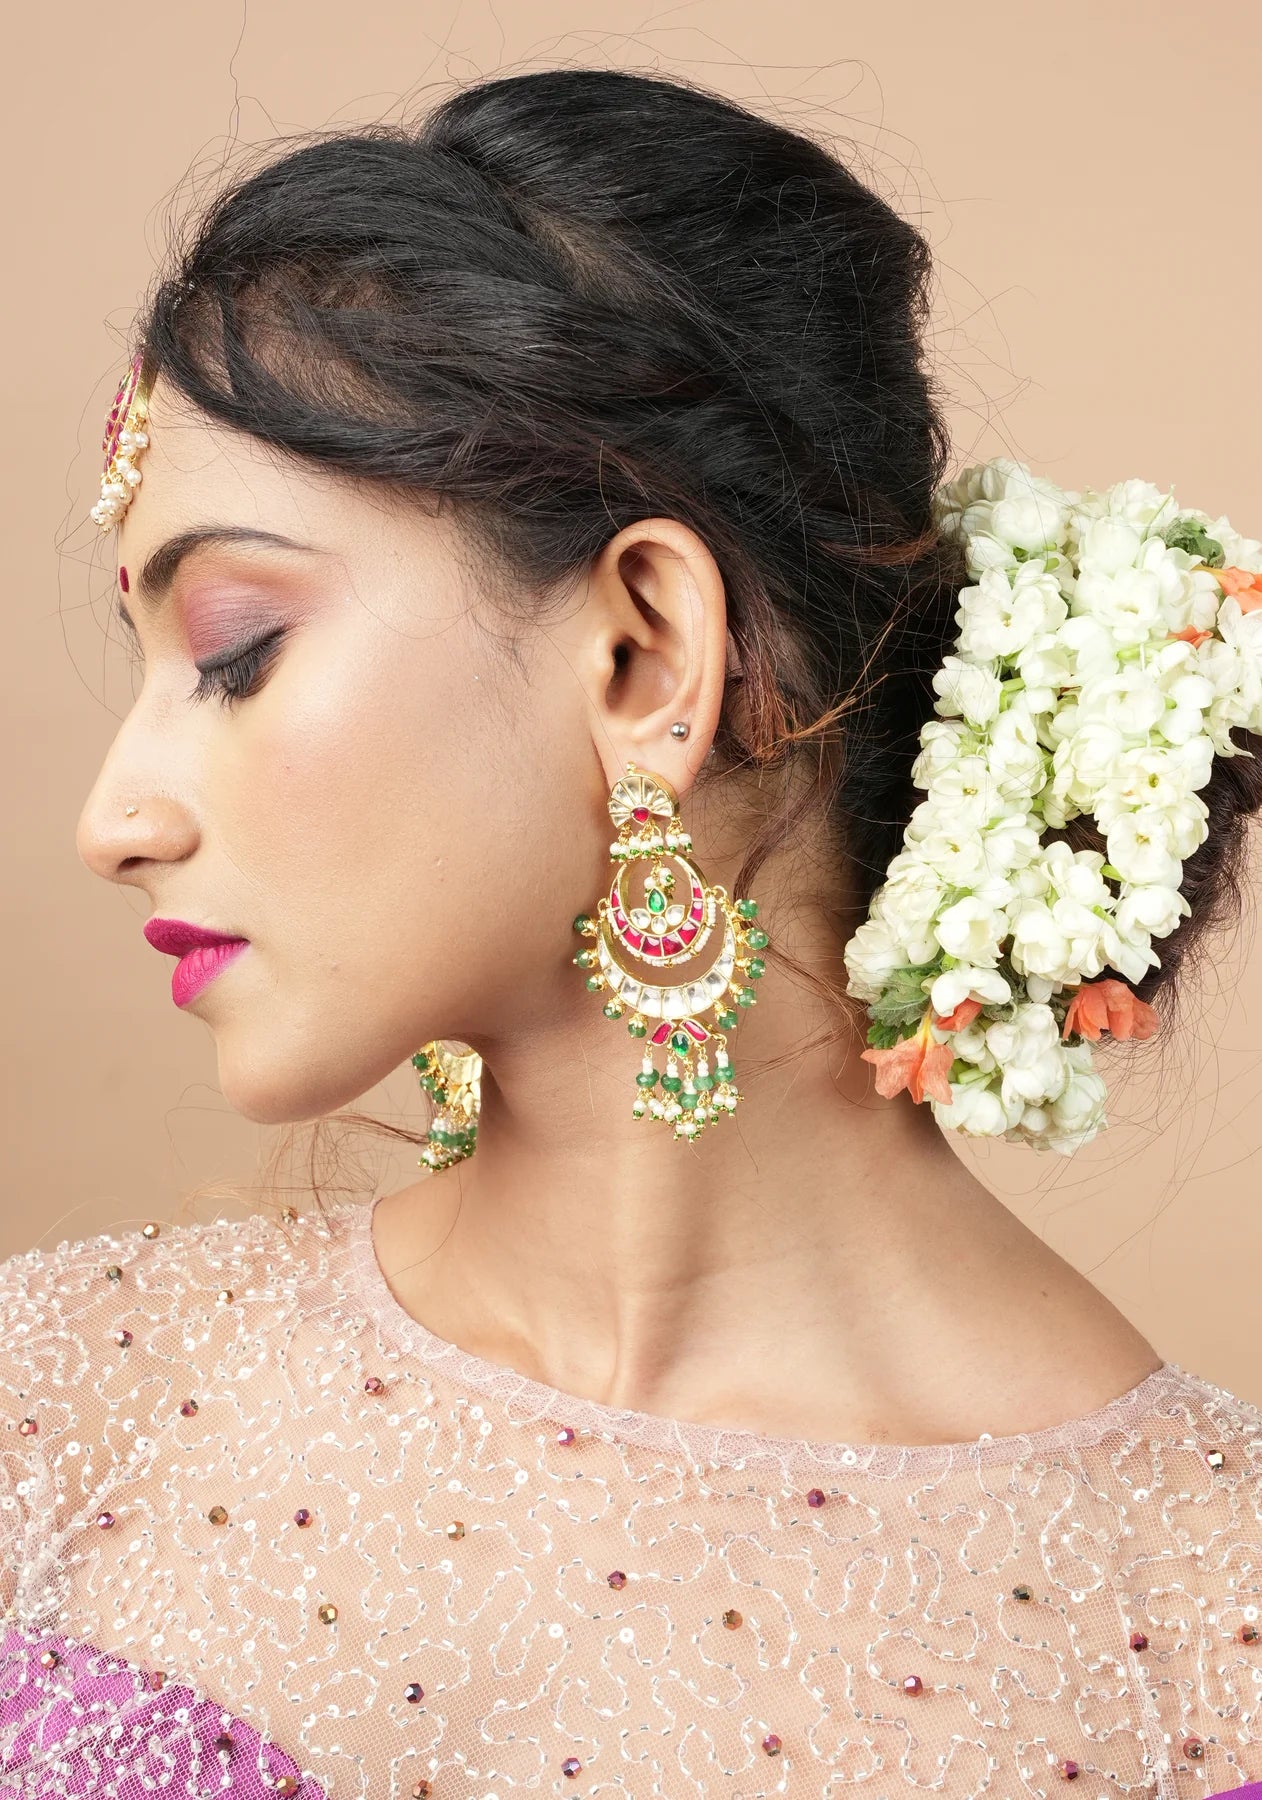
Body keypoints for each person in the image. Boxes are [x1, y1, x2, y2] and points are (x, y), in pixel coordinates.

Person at [3, 64, 1262, 1800]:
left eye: (233, 648)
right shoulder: (63, 1409)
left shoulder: (1203, 1634)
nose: (112, 820)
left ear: (644, 657)